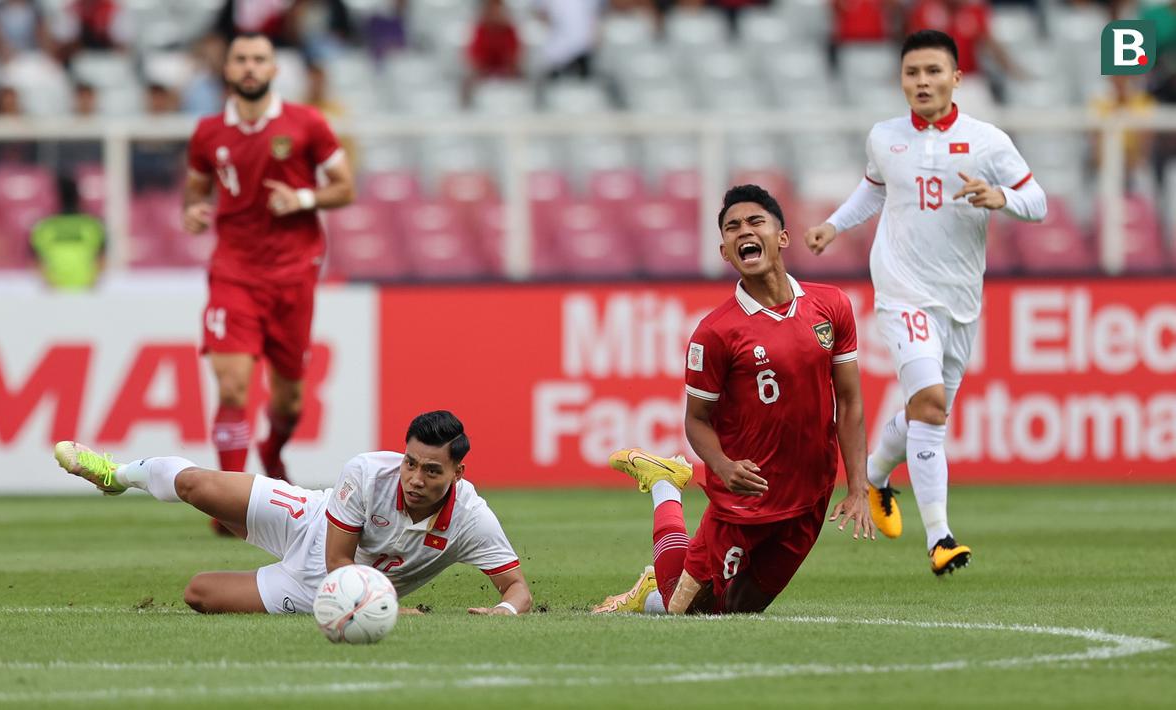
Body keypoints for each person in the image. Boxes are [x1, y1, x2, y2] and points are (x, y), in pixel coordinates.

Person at [803, 30, 1047, 575]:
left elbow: (1039, 201)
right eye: (913, 73)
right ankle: (940, 538)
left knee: (924, 410)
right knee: (931, 405)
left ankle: (874, 475)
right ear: (902, 81)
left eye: (934, 72)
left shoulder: (988, 140)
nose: (922, 82)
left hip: (960, 299)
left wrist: (1000, 197)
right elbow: (874, 188)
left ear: (956, 78)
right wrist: (833, 227)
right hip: (902, 290)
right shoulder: (884, 137)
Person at [595, 184, 874, 615]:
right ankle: (665, 487)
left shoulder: (830, 305)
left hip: (809, 496)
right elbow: (697, 420)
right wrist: (723, 466)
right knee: (688, 614)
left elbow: (851, 403)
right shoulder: (716, 332)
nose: (744, 230)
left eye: (755, 221)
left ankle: (657, 584)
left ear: (781, 236)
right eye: (732, 227)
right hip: (743, 498)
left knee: (740, 611)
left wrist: (858, 487)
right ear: (726, 251)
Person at [53, 411, 532, 617]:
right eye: (410, 463)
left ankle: (245, 542)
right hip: (311, 522)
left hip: (315, 589)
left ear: (458, 472)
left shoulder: (472, 518)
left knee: (197, 592)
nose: (415, 478)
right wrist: (388, 608)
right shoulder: (366, 473)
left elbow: (517, 590)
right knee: (195, 484)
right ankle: (115, 475)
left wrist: (503, 613)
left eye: (431, 470)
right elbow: (339, 561)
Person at [182, 32, 355, 526]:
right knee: (233, 388)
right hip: (234, 272)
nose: (251, 67)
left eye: (260, 59)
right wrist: (193, 211)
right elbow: (196, 190)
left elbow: (345, 188)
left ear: (275, 69)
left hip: (293, 275)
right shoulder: (209, 132)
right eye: (241, 59)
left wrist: (301, 199)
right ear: (228, 69)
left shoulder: (307, 124)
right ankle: (231, 503)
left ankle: (273, 453)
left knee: (289, 399)